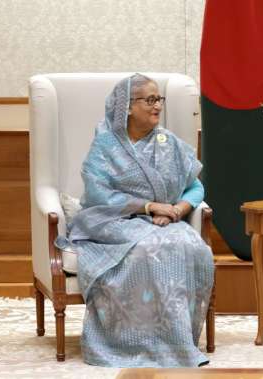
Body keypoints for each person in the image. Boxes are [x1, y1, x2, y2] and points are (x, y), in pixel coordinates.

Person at [63, 73, 214, 367]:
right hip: (111, 221)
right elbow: (97, 194)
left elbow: (195, 186)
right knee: (148, 249)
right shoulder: (105, 146)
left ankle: (177, 341)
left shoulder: (167, 142)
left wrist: (179, 209)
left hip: (165, 220)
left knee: (192, 247)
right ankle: (131, 342)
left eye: (159, 99)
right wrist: (148, 206)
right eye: (150, 100)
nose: (157, 106)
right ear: (127, 107)